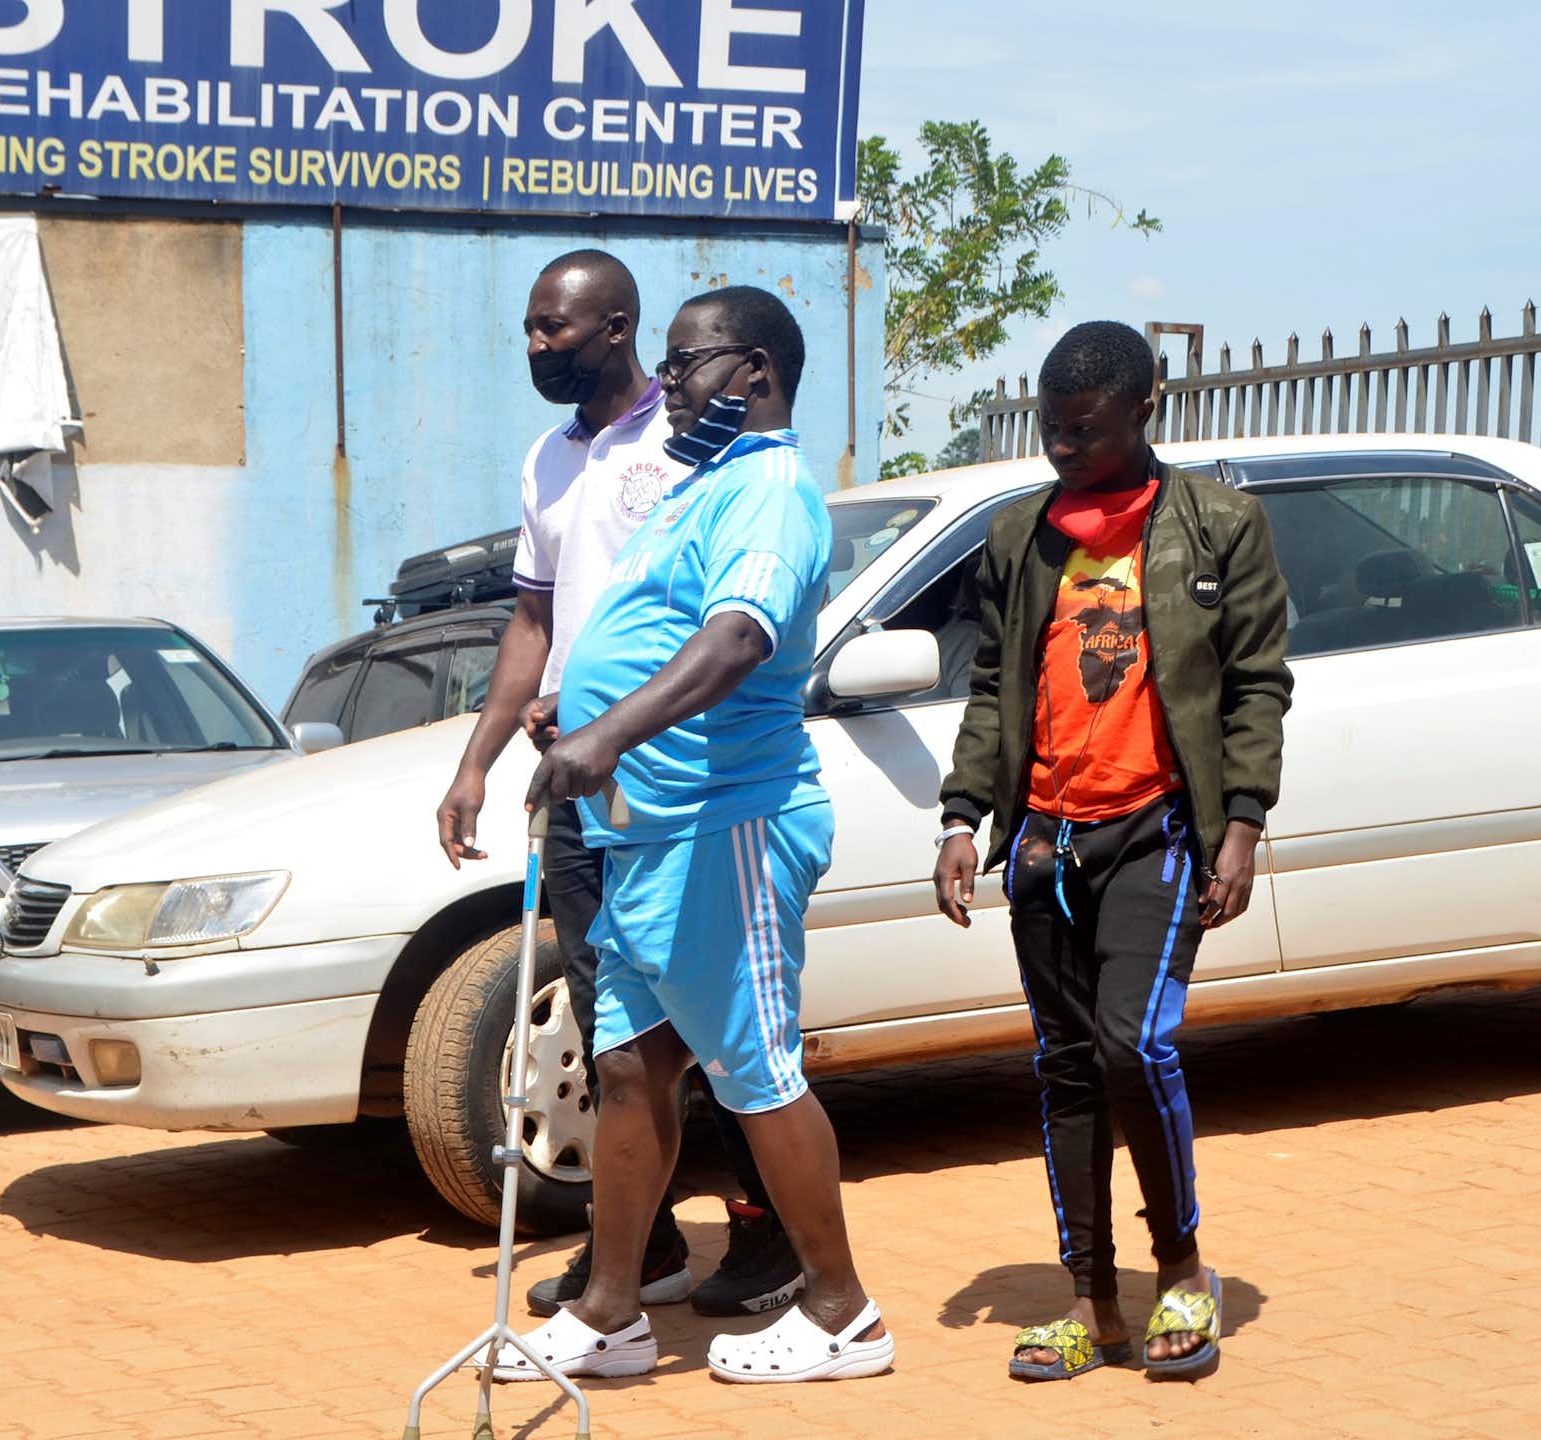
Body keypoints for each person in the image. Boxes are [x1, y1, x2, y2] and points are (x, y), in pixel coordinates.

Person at [498, 285, 892, 1386]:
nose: (669, 387)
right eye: (666, 367)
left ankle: (840, 1313)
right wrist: (572, 713)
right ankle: (614, 1310)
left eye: (688, 364)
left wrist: (603, 736)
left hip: (726, 824)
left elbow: (734, 638)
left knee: (756, 1069)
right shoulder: (702, 483)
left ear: (755, 372)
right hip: (647, 832)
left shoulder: (768, 489)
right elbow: (655, 629)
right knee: (629, 1065)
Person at [435, 251, 804, 1324]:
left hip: (677, 777)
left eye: (556, 328)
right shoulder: (548, 460)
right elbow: (535, 622)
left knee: (708, 1022)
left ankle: (767, 1237)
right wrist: (478, 760)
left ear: (619, 327)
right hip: (576, 783)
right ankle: (633, 1252)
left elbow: (718, 612)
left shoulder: (698, 443)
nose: (538, 347)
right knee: (614, 1030)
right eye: (531, 329)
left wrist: (612, 717)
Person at [932, 321, 1291, 1384]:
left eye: (1082, 430)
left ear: (1146, 408)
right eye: (1051, 431)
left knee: (1136, 1044)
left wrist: (1240, 825)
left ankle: (1182, 1270)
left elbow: (1255, 685)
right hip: (1045, 837)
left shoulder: (1218, 526)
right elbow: (994, 688)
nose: (1062, 449)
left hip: (1159, 827)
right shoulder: (1019, 537)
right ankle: (1091, 1303)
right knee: (1067, 1067)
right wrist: (962, 816)